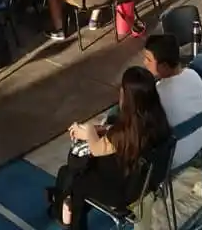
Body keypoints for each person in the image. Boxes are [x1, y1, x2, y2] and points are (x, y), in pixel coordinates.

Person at [52, 67, 171, 230]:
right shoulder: (157, 119)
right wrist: (104, 130)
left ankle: (71, 218)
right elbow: (120, 137)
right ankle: (66, 205)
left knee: (77, 180)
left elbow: (96, 149)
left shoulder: (125, 132)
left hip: (125, 193)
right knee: (72, 174)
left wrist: (89, 130)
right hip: (146, 183)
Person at [142, 34, 202, 168]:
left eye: (148, 59)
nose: (144, 63)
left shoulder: (158, 93)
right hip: (198, 142)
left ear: (164, 65)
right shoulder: (194, 75)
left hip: (174, 156)